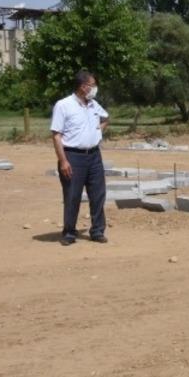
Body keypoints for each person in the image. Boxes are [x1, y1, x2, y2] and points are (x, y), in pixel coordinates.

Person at [50, 70, 109, 246]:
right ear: (83, 86)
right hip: (73, 156)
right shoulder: (63, 105)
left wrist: (97, 131)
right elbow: (56, 135)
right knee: (72, 195)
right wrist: (63, 160)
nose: (95, 89)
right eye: (92, 85)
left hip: (94, 156)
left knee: (98, 194)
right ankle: (69, 232)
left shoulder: (93, 104)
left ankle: (97, 231)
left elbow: (106, 118)